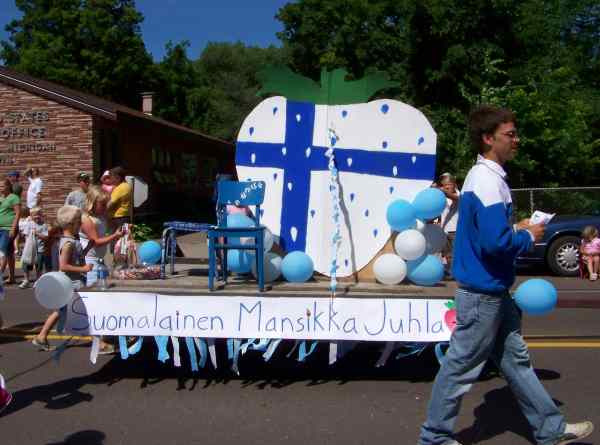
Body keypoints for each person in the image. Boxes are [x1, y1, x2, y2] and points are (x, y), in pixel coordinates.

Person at [418, 105, 593, 445]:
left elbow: (489, 234)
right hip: (482, 295)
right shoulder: (487, 181)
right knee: (460, 368)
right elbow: (495, 244)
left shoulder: (485, 177)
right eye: (510, 134)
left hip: (491, 292)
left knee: (515, 362)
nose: (517, 140)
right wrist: (527, 236)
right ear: (488, 138)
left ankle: (550, 430)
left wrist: (517, 227)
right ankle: (434, 438)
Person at [32, 205, 93, 351]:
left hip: (74, 282)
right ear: (71, 224)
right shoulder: (68, 244)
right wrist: (84, 269)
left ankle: (41, 337)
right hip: (71, 283)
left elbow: (76, 258)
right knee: (86, 310)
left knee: (60, 311)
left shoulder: (72, 240)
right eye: (79, 222)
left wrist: (88, 248)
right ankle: (99, 342)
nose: (81, 224)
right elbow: (64, 265)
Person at [80, 186, 122, 285]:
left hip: (99, 259)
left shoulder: (101, 217)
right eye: (102, 204)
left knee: (104, 286)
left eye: (106, 204)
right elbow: (96, 242)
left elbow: (111, 227)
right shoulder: (86, 219)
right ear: (92, 203)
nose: (105, 207)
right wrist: (115, 236)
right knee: (93, 287)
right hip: (90, 260)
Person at [18, 207, 49, 288]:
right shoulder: (29, 224)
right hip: (30, 249)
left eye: (38, 215)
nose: (37, 217)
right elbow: (24, 235)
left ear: (41, 215)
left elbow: (46, 237)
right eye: (34, 215)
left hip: (40, 249)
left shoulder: (44, 225)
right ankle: (26, 280)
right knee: (25, 264)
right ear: (31, 216)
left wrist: (37, 234)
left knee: (38, 265)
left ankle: (38, 279)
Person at [437, 173, 460, 275]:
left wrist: (440, 190)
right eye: (444, 185)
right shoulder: (442, 198)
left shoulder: (459, 195)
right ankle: (450, 272)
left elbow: (454, 198)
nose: (446, 187)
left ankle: (456, 272)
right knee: (446, 254)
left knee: (455, 253)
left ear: (454, 184)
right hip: (444, 229)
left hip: (455, 230)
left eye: (449, 184)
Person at [0, 179, 21, 285]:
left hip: (8, 228)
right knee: (9, 253)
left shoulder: (14, 197)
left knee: (2, 251)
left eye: (2, 186)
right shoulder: (1, 198)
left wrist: (13, 228)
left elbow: (18, 213)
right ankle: (12, 277)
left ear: (8, 186)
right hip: (1, 228)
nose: (0, 188)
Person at [106, 166, 132, 231]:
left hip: (118, 219)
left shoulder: (120, 188)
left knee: (118, 236)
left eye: (111, 177)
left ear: (118, 177)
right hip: (125, 217)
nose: (110, 180)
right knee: (125, 236)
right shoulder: (127, 186)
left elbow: (109, 204)